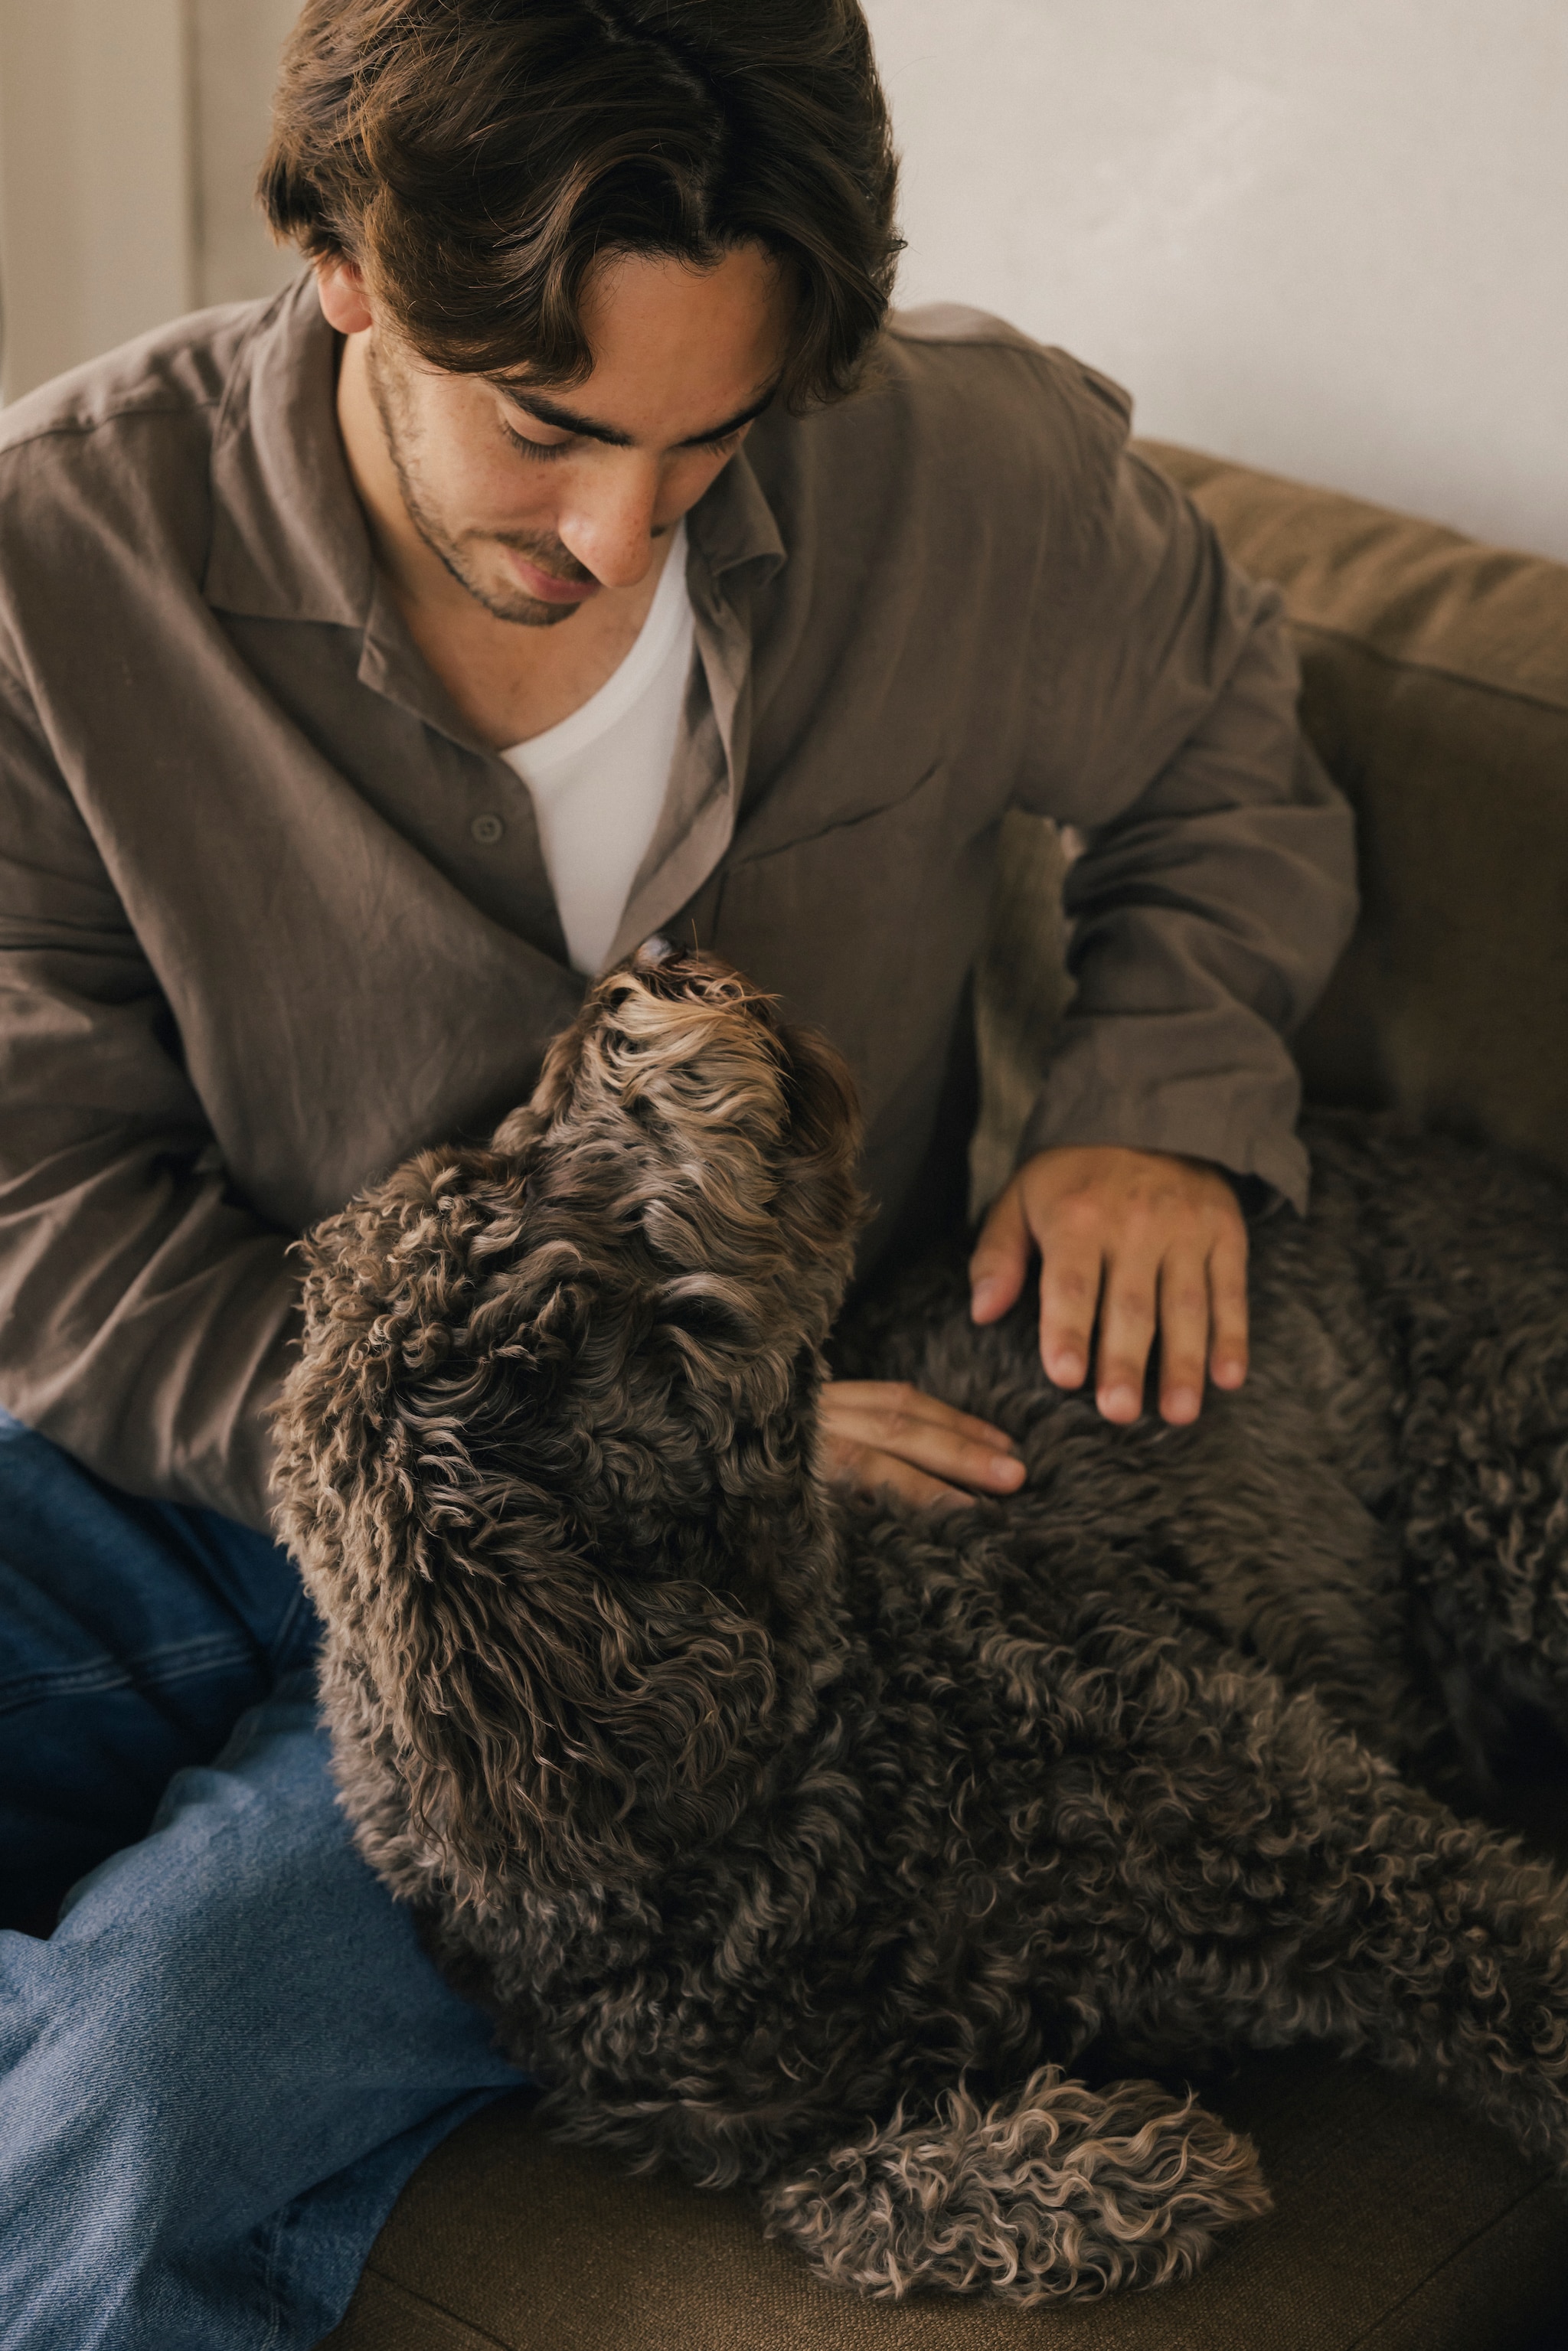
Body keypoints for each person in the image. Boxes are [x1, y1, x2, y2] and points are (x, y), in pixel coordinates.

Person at [0, 2, 1356, 2344]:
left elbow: (1225, 747)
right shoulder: (51, 570)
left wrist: (1158, 1089)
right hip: (226, 1434)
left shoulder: (961, 473)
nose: (623, 534)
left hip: (712, 1597)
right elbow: (51, 1223)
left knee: (157, 2064)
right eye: (546, 429)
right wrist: (547, 1458)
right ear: (339, 261)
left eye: (704, 440)